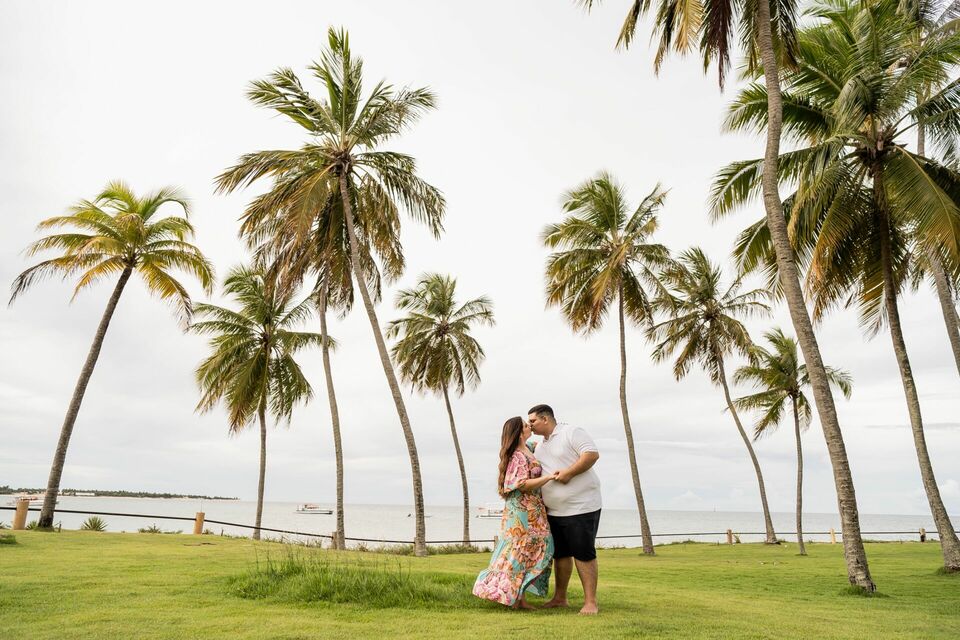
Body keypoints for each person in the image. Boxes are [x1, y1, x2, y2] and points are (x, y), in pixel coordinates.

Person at [473, 417, 558, 609]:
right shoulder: (517, 456)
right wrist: (548, 478)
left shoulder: (529, 447)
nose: (530, 426)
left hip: (534, 508)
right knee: (519, 551)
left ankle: (520, 599)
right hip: (521, 511)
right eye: (527, 425)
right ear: (519, 432)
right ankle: (509, 596)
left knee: (530, 550)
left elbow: (547, 444)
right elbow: (521, 484)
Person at [528, 404, 602, 615]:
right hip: (554, 511)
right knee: (561, 554)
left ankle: (590, 602)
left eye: (532, 421)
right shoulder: (540, 446)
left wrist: (569, 473)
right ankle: (560, 598)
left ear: (545, 419)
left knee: (583, 553)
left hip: (581, 506)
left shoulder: (571, 432)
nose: (530, 425)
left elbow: (591, 454)